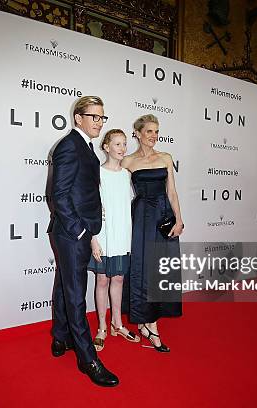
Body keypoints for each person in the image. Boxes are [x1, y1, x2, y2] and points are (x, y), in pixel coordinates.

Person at [48, 96, 119, 387]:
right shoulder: (69, 146)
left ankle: (60, 336)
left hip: (75, 230)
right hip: (71, 232)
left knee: (64, 283)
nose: (99, 123)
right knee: (76, 294)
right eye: (94, 117)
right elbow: (58, 195)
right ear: (78, 118)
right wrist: (80, 232)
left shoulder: (85, 146)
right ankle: (87, 358)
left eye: (103, 118)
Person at [121, 114, 183, 353]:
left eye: (157, 132)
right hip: (141, 218)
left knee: (161, 267)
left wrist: (179, 219)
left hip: (164, 217)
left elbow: (173, 193)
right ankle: (150, 326)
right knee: (144, 267)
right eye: (149, 132)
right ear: (137, 133)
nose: (154, 137)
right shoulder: (127, 162)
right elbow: (111, 186)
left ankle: (150, 322)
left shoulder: (165, 157)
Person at [88, 129, 140, 352]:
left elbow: (126, 206)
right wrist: (93, 240)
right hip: (103, 236)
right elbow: (91, 209)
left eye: (124, 144)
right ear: (106, 147)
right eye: (117, 144)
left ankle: (117, 324)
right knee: (102, 281)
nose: (122, 148)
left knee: (118, 280)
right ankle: (101, 327)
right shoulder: (97, 174)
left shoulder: (127, 175)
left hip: (121, 237)